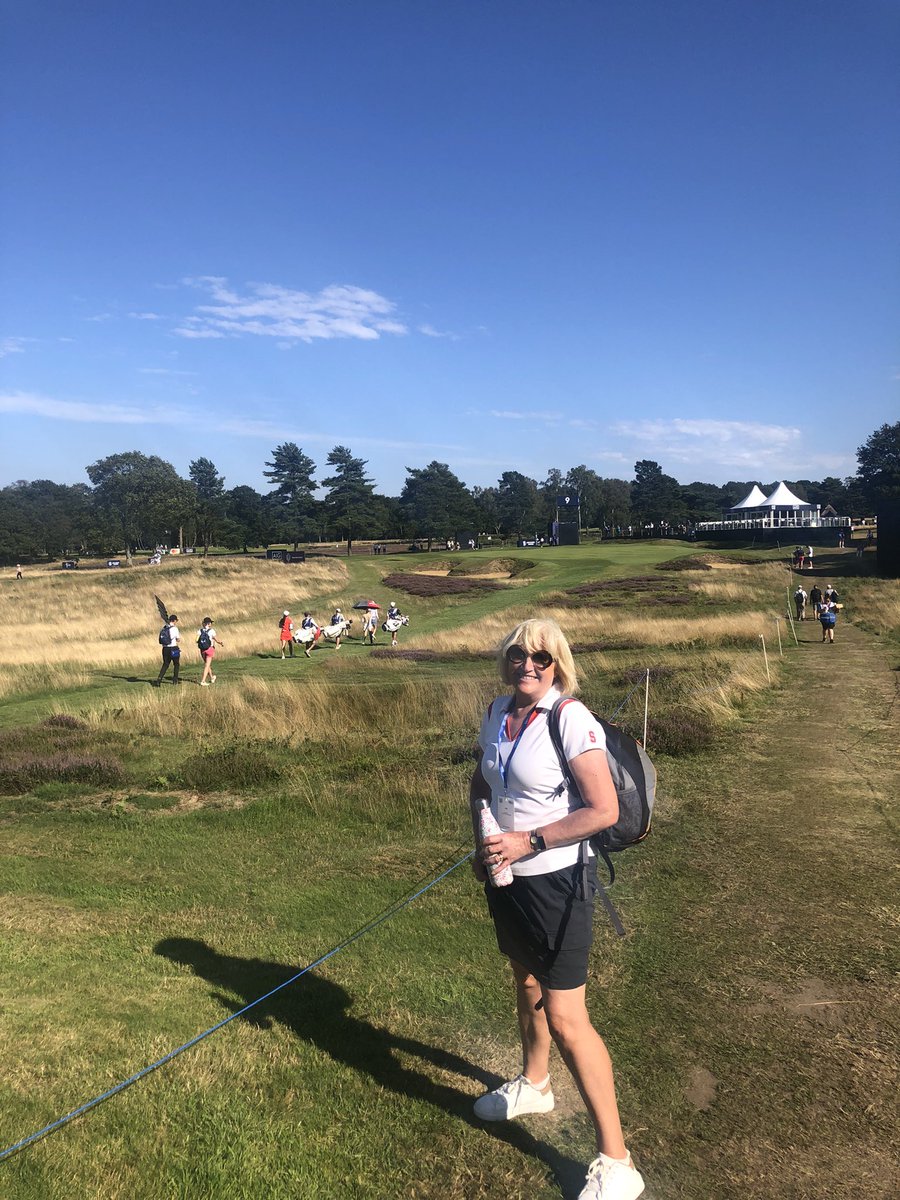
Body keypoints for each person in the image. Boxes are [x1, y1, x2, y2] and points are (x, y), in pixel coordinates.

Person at [469, 618, 645, 1200]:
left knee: (569, 1019)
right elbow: (484, 781)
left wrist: (530, 842)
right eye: (519, 654)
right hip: (508, 878)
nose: (528, 665)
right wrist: (486, 843)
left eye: (541, 658)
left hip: (559, 883)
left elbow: (604, 810)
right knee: (524, 984)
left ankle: (617, 1163)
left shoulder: (571, 718)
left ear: (557, 664)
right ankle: (535, 1085)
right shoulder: (497, 710)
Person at [154, 615, 181, 686]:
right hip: (173, 648)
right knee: (176, 664)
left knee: (165, 664)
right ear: (174, 620)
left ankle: (159, 679)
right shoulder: (175, 628)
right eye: (176, 621)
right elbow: (178, 639)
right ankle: (175, 680)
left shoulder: (164, 627)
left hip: (165, 649)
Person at [197, 617, 223, 685]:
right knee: (207, 665)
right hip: (210, 649)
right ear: (208, 624)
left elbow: (196, 640)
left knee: (207, 664)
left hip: (202, 650)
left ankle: (212, 677)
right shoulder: (212, 631)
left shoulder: (200, 631)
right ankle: (203, 681)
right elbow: (216, 640)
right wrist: (220, 643)